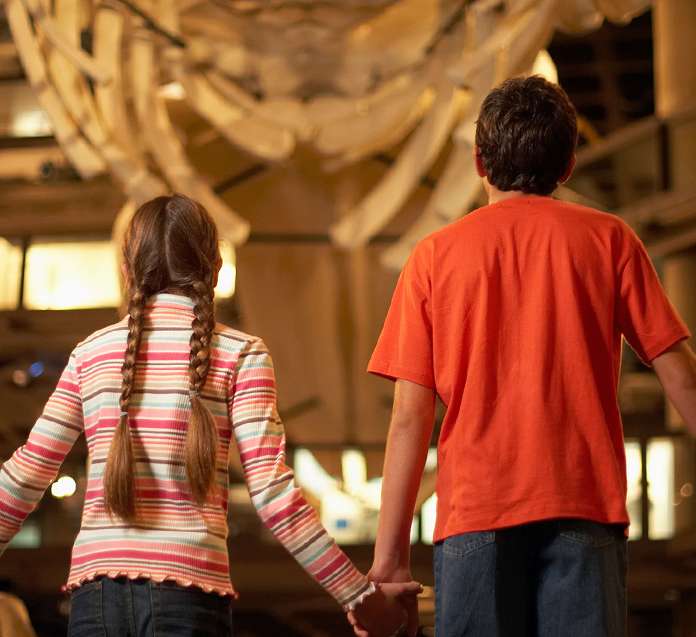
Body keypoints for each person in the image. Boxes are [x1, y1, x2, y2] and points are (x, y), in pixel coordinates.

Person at [354, 76, 696, 637]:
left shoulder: (434, 257)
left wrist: (389, 561)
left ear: (479, 162)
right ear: (567, 167)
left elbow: (410, 418)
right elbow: (680, 375)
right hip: (585, 506)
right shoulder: (611, 239)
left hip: (473, 515)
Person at [0, 194, 420, 637]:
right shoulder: (242, 354)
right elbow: (273, 495)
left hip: (94, 599)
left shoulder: (91, 354)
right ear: (217, 268)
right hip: (189, 597)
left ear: (126, 272)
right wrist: (357, 596)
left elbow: (27, 472)